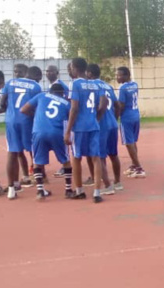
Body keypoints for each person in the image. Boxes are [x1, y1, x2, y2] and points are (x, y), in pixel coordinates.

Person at [64, 57, 108, 204]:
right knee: (96, 158)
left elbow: (74, 108)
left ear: (75, 68)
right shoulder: (96, 84)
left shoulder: (75, 84)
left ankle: (80, 191)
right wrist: (96, 119)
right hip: (93, 125)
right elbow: (103, 103)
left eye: (71, 67)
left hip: (79, 127)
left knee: (76, 158)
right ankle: (97, 193)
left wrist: (67, 131)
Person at [20, 83, 73, 200]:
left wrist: (35, 116)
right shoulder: (67, 104)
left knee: (37, 162)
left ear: (50, 91)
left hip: (39, 131)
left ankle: (40, 190)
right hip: (57, 132)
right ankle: (68, 189)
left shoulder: (41, 95)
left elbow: (23, 109)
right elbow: (71, 118)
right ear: (62, 93)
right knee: (65, 160)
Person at [0, 63, 42, 199]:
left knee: (12, 152)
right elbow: (37, 106)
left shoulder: (10, 83)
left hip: (11, 121)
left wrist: (10, 109)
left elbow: (2, 103)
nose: (16, 74)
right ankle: (40, 186)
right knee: (34, 151)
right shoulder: (35, 86)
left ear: (24, 72)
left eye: (18, 71)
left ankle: (11, 188)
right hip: (27, 121)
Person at [87, 64, 122, 195]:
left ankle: (107, 185)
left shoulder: (91, 86)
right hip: (112, 124)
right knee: (113, 154)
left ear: (90, 73)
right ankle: (117, 182)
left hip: (101, 125)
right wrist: (114, 119)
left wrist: (96, 119)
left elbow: (101, 104)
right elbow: (117, 105)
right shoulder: (108, 86)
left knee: (99, 156)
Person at [116, 66, 146, 178]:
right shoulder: (135, 84)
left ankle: (139, 168)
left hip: (127, 118)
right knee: (132, 142)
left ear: (126, 75)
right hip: (135, 115)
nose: (117, 77)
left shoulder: (122, 88)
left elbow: (121, 106)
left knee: (129, 143)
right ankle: (134, 165)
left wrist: (115, 117)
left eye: (119, 75)